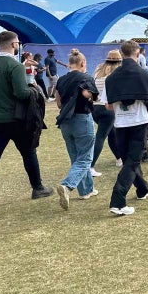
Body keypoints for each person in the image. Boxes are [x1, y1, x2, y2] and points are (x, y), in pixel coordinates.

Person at [0, 30, 53, 206]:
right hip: (15, 119)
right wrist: (33, 89)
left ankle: (38, 187)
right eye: (17, 43)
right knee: (29, 152)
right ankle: (38, 188)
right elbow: (21, 93)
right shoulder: (15, 66)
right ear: (13, 44)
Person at [103, 40, 148, 216]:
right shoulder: (147, 76)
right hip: (139, 123)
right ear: (137, 54)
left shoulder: (110, 78)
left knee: (130, 159)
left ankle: (142, 189)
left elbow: (108, 106)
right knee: (133, 161)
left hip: (120, 124)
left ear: (122, 54)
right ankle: (117, 201)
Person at [55, 49, 99, 210]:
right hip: (82, 119)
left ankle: (86, 190)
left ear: (70, 64)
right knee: (85, 158)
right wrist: (89, 96)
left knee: (76, 157)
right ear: (82, 63)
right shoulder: (86, 78)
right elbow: (89, 95)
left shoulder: (61, 80)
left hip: (65, 122)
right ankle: (67, 185)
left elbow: (59, 103)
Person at [90, 49, 122, 176]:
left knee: (111, 133)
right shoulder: (117, 73)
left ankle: (119, 158)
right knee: (101, 137)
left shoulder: (98, 69)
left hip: (95, 107)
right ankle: (90, 166)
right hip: (107, 108)